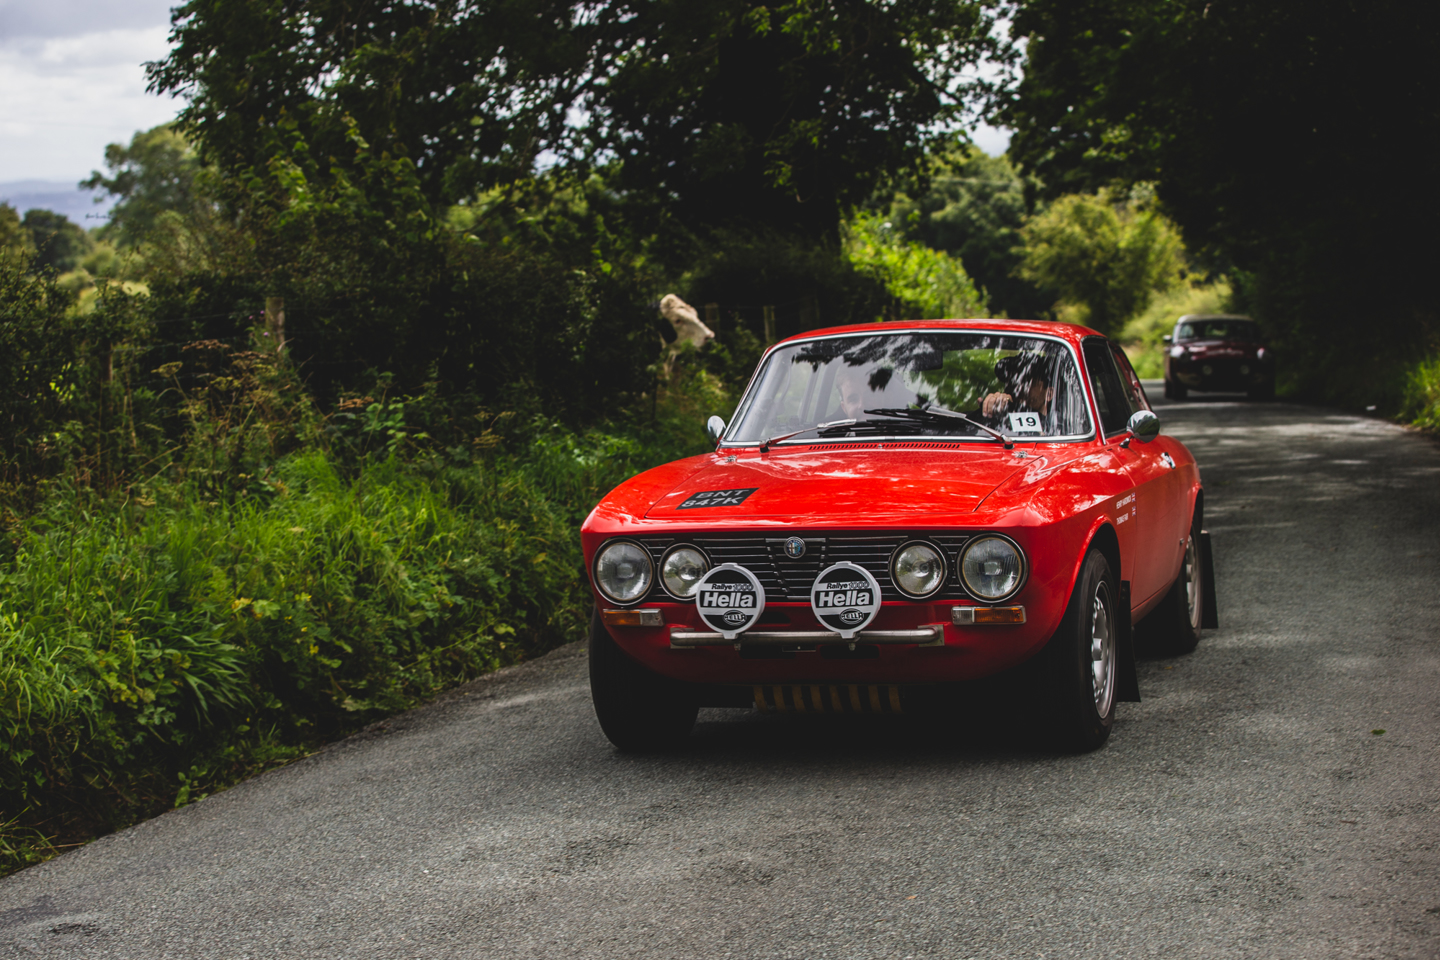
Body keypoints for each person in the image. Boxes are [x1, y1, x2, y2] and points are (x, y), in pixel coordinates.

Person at [980, 353, 1053, 422]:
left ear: (1049, 394)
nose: (1016, 387)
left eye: (1026, 381)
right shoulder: (1001, 423)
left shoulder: (1056, 426)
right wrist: (994, 406)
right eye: (1011, 381)